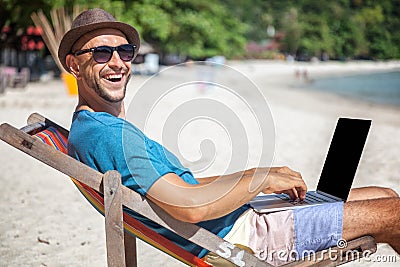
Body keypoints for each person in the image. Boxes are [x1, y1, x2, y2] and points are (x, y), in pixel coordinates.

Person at [59, 8, 400, 266]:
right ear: (75, 66)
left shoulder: (93, 129)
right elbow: (190, 208)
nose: (117, 62)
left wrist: (258, 176)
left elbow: (184, 187)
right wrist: (258, 181)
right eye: (102, 53)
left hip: (244, 217)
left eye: (125, 51)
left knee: (384, 194)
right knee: (395, 212)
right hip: (244, 238)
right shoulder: (107, 135)